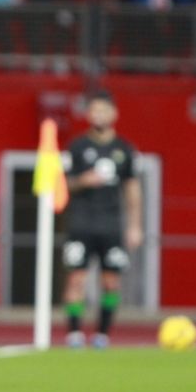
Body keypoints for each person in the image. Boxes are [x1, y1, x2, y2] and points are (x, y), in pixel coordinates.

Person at [62, 93, 143, 349]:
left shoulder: (124, 149)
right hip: (81, 222)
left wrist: (135, 225)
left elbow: (132, 188)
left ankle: (102, 335)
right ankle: (74, 334)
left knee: (111, 282)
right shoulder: (76, 147)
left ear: (113, 114)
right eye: (94, 110)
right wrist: (82, 181)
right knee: (76, 279)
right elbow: (62, 184)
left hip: (111, 224)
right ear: (88, 114)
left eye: (103, 110)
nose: (98, 115)